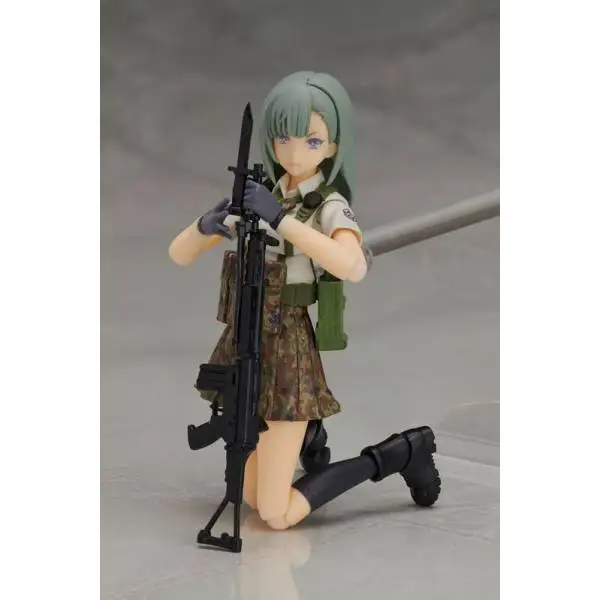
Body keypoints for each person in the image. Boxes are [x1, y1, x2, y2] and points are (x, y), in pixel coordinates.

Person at [169, 71, 441, 531]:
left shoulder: (327, 207)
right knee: (252, 498)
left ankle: (398, 454)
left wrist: (281, 220)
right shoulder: (265, 196)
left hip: (288, 346)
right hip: (246, 339)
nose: (295, 153)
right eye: (283, 139)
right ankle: (306, 436)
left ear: (333, 146)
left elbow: (352, 266)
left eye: (312, 141)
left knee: (275, 514)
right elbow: (179, 254)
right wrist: (206, 224)